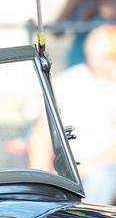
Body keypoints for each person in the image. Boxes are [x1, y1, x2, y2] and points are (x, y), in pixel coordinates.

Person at [29, 24, 116, 205]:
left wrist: (86, 169)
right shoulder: (69, 83)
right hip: (67, 169)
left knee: (101, 178)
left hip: (102, 169)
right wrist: (40, 173)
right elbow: (42, 130)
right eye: (106, 56)